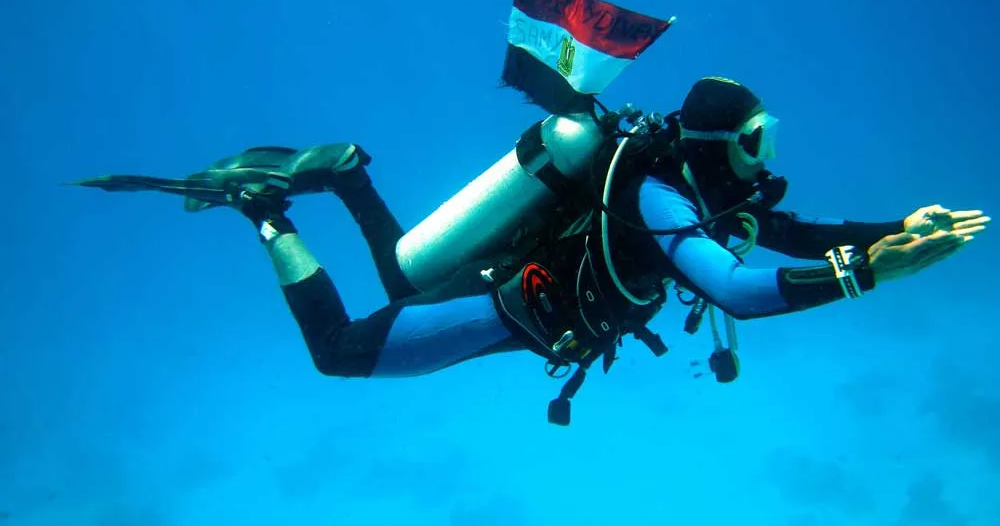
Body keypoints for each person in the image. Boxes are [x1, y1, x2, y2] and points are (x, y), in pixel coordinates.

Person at [74, 77, 989, 425]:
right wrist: (868, 272)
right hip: (517, 308)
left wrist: (895, 228)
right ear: (715, 145)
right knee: (336, 353)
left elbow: (784, 231)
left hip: (542, 300)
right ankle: (267, 214)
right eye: (755, 139)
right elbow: (741, 292)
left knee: (403, 273)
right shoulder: (657, 191)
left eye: (769, 134)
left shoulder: (712, 189)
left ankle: (351, 177)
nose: (766, 157)